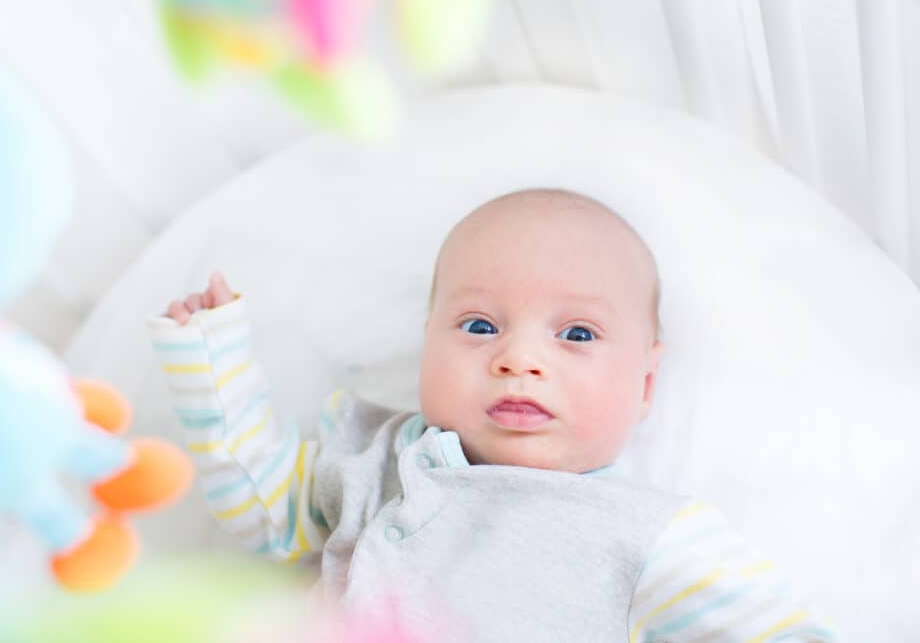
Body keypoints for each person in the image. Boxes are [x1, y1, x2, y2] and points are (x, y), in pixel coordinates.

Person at [147, 188, 838, 642]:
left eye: (576, 335)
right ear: (427, 342)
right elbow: (265, 511)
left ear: (646, 383)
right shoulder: (369, 452)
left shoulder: (649, 537)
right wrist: (214, 364)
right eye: (479, 325)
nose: (519, 358)